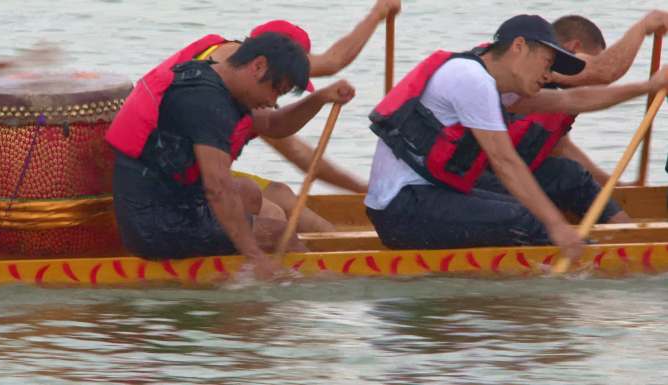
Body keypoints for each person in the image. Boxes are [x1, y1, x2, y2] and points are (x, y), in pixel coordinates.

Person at [364, 14, 668, 261]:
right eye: (547, 64)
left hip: (425, 199)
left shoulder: (495, 84)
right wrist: (557, 226)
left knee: (531, 209)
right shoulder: (471, 79)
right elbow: (505, 162)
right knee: (527, 218)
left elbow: (571, 101)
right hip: (402, 210)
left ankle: (584, 263)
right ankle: (591, 271)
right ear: (519, 47)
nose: (549, 76)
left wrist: (646, 87)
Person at [107, 32, 354, 278]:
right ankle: (310, 290)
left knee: (248, 191)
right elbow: (218, 187)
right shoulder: (206, 102)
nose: (272, 101)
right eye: (275, 91)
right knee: (281, 234)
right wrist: (255, 255)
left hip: (173, 203)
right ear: (258, 66)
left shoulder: (215, 78)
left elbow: (273, 124)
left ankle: (227, 272)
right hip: (156, 226)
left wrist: (320, 98)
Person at [474, 11, 668, 224]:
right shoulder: (513, 69)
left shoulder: (530, 91)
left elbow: (564, 149)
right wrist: (644, 26)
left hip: (499, 172)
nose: (548, 74)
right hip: (474, 179)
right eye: (547, 63)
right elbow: (604, 71)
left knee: (568, 173)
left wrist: (619, 187)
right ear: (573, 49)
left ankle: (628, 236)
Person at [230, 0, 400, 232]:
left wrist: (364, 189)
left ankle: (335, 252)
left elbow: (304, 157)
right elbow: (333, 62)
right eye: (283, 87)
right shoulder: (232, 83)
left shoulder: (254, 86)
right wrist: (378, 13)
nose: (276, 100)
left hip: (216, 177)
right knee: (273, 214)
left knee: (281, 194)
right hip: (190, 184)